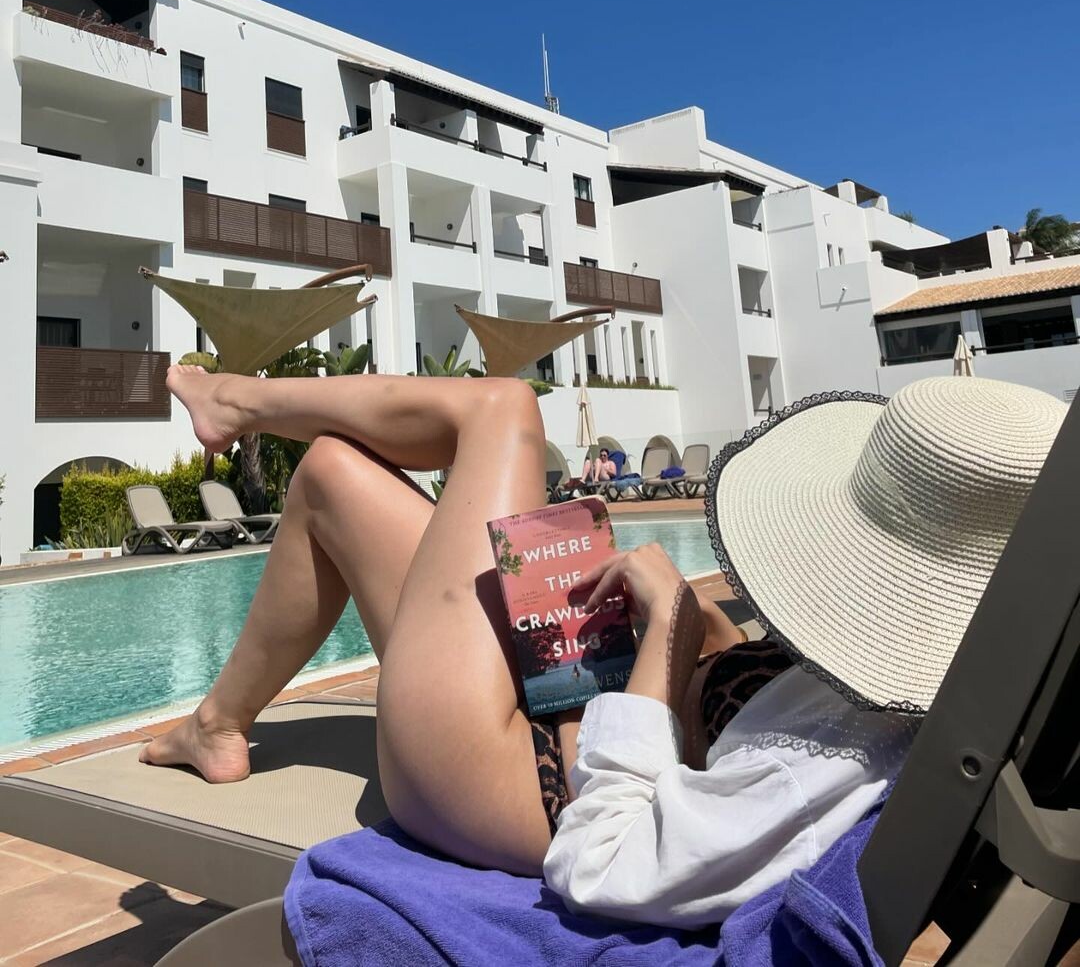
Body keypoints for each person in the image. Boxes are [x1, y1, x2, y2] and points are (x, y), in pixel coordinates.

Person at [146, 368, 1065, 928]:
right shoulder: (928, 685)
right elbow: (736, 729)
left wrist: (665, 640)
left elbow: (608, 859)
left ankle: (238, 401)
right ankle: (217, 725)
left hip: (513, 776)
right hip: (579, 704)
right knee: (337, 477)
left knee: (500, 409)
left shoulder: (827, 766)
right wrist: (689, 627)